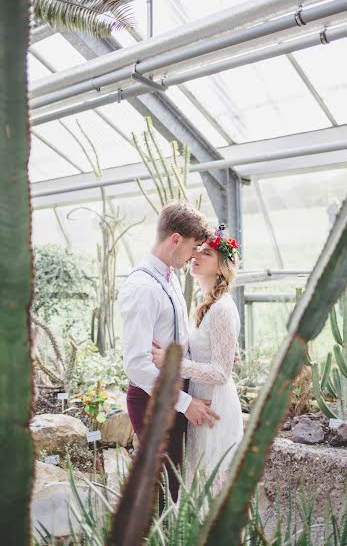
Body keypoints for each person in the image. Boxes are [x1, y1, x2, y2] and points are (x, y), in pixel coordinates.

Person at [117, 201, 220, 503]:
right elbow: (136, 365)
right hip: (152, 402)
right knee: (161, 492)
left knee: (176, 487)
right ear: (175, 239)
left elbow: (177, 338)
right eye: (192, 247)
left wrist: (210, 352)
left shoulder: (169, 279)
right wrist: (185, 403)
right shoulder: (143, 288)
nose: (194, 256)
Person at [153, 224, 243, 495]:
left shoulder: (222, 309)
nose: (196, 256)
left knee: (213, 481)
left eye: (206, 254)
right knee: (200, 478)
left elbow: (221, 373)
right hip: (202, 397)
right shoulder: (208, 305)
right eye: (197, 251)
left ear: (220, 267)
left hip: (215, 404)